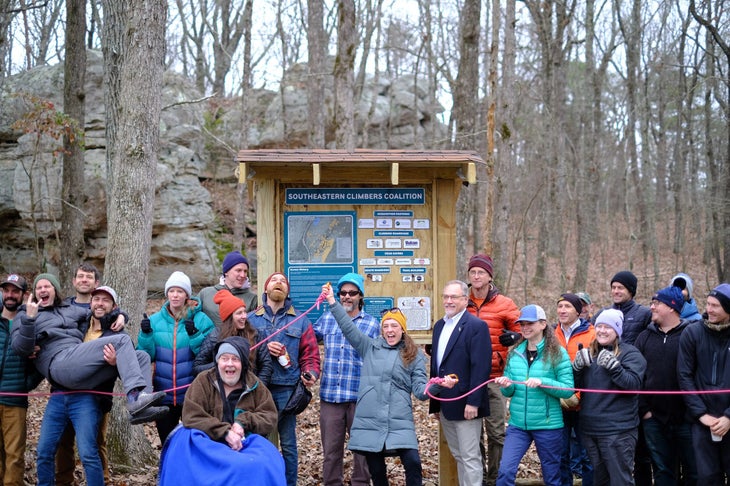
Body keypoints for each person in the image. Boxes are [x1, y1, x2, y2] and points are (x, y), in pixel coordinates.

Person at [322, 283, 453, 485]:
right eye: (386, 326)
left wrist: (439, 385)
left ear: (402, 329)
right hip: (370, 422)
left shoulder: (414, 354)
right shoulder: (369, 347)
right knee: (377, 472)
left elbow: (420, 391)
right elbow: (347, 327)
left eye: (394, 326)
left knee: (413, 464)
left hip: (400, 422)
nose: (390, 330)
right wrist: (332, 301)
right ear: (382, 330)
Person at [11, 273, 168, 424]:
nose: (43, 290)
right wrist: (29, 319)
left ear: (55, 290)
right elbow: (21, 349)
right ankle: (134, 398)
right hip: (58, 364)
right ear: (34, 293)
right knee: (122, 339)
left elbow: (99, 310)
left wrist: (121, 315)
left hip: (77, 365)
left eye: (47, 286)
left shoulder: (69, 309)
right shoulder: (24, 314)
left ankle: (141, 406)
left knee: (141, 356)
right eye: (39, 288)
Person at [159, 336, 285, 485]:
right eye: (225, 358)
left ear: (243, 363)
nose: (229, 364)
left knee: (267, 462)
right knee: (184, 447)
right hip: (207, 443)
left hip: (243, 444)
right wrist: (225, 432)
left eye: (235, 359)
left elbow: (269, 416)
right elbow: (191, 415)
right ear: (218, 361)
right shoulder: (203, 380)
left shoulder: (255, 385)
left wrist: (242, 422)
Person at [36, 286, 127, 486]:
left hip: (87, 398)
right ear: (90, 303)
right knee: (44, 451)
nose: (100, 303)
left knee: (88, 453)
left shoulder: (116, 333)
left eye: (106, 301)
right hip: (59, 395)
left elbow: (129, 367)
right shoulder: (78, 322)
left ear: (114, 306)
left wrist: (116, 362)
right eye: (97, 299)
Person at [248, 271, 321, 486]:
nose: (278, 283)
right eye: (274, 280)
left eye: (283, 281)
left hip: (287, 391)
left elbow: (311, 356)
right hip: (257, 390)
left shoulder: (300, 320)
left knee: (288, 444)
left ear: (287, 291)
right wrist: (262, 348)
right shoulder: (251, 320)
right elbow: (242, 352)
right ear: (266, 288)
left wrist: (311, 374)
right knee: (259, 440)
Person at [495, 304, 574, 486]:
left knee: (552, 477)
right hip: (518, 425)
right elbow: (510, 391)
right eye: (522, 324)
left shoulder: (557, 353)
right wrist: (506, 385)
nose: (525, 328)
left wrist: (543, 382)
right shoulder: (515, 353)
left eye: (530, 323)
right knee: (505, 471)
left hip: (548, 425)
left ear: (543, 324)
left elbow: (568, 389)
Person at [313, 273, 380, 486]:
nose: (347, 297)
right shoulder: (326, 319)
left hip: (360, 398)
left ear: (361, 296)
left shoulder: (372, 324)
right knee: (331, 452)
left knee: (362, 453)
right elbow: (307, 341)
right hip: (331, 396)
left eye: (352, 293)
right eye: (343, 293)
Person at [137, 271, 215, 443]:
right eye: (171, 291)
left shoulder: (201, 320)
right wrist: (146, 335)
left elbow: (209, 356)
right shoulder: (155, 320)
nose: (175, 295)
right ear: (167, 294)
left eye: (180, 291)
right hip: (163, 393)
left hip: (193, 393)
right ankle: (168, 470)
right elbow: (146, 356)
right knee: (167, 441)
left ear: (187, 295)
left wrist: (194, 335)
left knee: (194, 441)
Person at [573, 308, 646, 486]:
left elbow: (633, 385)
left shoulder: (630, 354)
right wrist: (576, 369)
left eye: (608, 327)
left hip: (618, 431)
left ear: (618, 331)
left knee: (620, 480)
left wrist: (615, 368)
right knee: (600, 480)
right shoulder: (591, 353)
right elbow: (576, 387)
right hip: (590, 429)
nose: (602, 331)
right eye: (599, 326)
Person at [429, 280, 492, 486]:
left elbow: (481, 368)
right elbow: (437, 366)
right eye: (445, 296)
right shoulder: (439, 326)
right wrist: (435, 402)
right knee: (458, 455)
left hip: (466, 404)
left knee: (470, 457)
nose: (448, 301)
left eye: (454, 297)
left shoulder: (476, 327)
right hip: (445, 403)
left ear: (465, 300)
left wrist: (473, 402)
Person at [465, 254, 520, 485]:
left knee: (497, 433)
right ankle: (477, 478)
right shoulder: (461, 301)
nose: (476, 276)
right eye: (473, 272)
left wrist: (515, 336)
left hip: (495, 378)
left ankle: (494, 478)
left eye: (481, 272)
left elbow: (523, 330)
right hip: (468, 380)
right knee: (472, 435)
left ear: (490, 276)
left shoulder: (504, 303)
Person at [635, 286, 697, 486]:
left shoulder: (692, 334)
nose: (651, 307)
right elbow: (636, 377)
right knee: (663, 471)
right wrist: (644, 410)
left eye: (656, 303)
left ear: (671, 307)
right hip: (654, 420)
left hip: (687, 419)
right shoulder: (644, 337)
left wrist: (694, 411)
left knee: (693, 471)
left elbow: (698, 374)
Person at [677, 283, 730, 483]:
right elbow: (684, 376)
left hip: (729, 418)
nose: (709, 309)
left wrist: (728, 417)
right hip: (702, 422)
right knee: (707, 478)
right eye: (708, 304)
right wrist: (701, 414)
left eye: (715, 305)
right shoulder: (692, 333)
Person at [0, 274, 43, 486]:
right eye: (6, 290)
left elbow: (43, 360)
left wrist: (25, 385)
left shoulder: (29, 323)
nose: (9, 295)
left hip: (14, 400)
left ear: (24, 295)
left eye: (15, 291)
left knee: (14, 455)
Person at [553, 293, 595, 486]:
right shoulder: (551, 334)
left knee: (588, 455)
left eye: (567, 307)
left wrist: (577, 396)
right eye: (560, 306)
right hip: (557, 403)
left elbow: (596, 372)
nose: (562, 310)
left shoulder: (592, 334)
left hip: (585, 405)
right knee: (561, 454)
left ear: (578, 311)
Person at [193, 289, 273, 385]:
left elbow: (266, 365)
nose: (244, 316)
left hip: (250, 391)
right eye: (239, 313)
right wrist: (220, 363)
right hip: (221, 393)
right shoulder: (215, 336)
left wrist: (257, 388)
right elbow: (197, 367)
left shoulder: (255, 334)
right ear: (229, 317)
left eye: (244, 312)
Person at [198, 251, 258, 328]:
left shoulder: (252, 299)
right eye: (238, 270)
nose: (243, 275)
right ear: (226, 272)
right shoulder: (206, 294)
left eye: (245, 271)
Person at [594, 271, 651, 345]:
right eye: (613, 288)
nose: (616, 291)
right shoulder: (603, 313)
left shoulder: (645, 314)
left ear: (630, 291)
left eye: (620, 288)